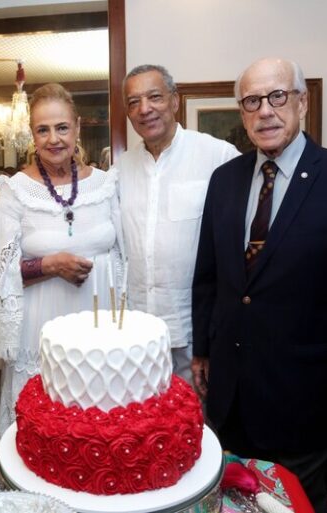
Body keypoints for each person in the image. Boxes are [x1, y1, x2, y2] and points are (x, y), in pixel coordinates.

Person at [191, 58, 327, 512]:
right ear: (242, 112)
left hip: (304, 400)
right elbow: (208, 276)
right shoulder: (224, 180)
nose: (265, 111)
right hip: (231, 399)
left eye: (278, 96)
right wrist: (203, 348)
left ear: (302, 101)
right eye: (252, 101)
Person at [0, 83, 123, 442]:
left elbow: (125, 257)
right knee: (41, 429)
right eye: (42, 129)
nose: (53, 138)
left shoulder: (106, 185)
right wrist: (49, 265)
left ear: (77, 126)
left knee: (96, 423)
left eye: (61, 127)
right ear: (32, 134)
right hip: (40, 326)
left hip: (101, 322)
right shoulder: (15, 191)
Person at [115, 65, 240, 382]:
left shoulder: (218, 156)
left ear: (174, 100)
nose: (145, 109)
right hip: (136, 331)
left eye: (154, 97)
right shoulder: (119, 169)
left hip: (194, 332)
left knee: (196, 423)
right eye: (133, 102)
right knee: (142, 422)